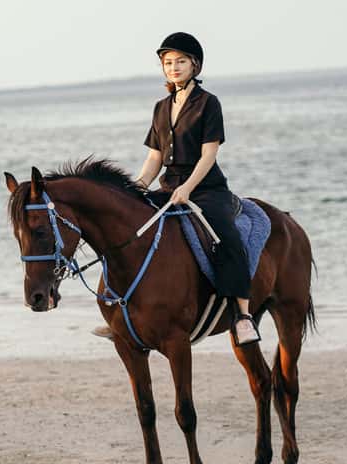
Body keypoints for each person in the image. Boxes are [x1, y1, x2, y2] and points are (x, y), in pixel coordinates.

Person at [94, 32, 260, 346]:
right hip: (168, 188)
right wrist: (137, 187)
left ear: (195, 65)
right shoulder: (161, 107)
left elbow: (209, 154)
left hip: (206, 188)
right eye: (168, 62)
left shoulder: (208, 103)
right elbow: (154, 157)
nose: (174, 67)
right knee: (127, 232)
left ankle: (242, 315)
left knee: (226, 237)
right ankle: (122, 315)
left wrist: (187, 188)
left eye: (181, 61)